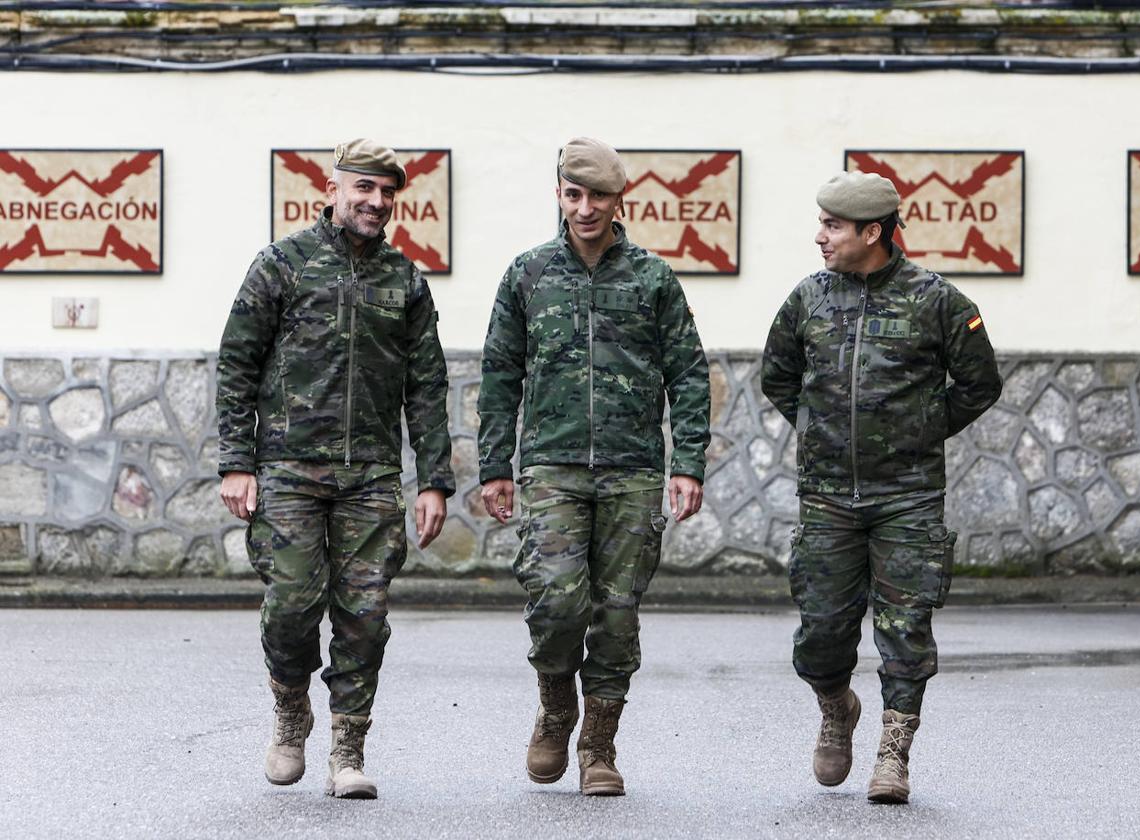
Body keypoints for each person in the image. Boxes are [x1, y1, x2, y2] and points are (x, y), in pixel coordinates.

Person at [216, 138, 454, 799]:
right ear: (333, 190)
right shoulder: (282, 266)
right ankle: (291, 709)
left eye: (386, 193)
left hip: (371, 477)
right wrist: (237, 462)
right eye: (364, 189)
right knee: (291, 604)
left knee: (365, 616)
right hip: (289, 469)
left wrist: (433, 477)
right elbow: (237, 363)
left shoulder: (404, 281)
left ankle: (347, 751)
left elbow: (427, 385)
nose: (376, 202)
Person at [477, 137, 711, 796]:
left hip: (633, 468)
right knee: (555, 601)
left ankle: (599, 748)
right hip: (551, 465)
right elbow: (499, 373)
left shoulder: (652, 278)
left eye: (598, 196)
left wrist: (687, 460)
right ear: (559, 194)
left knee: (616, 613)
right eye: (574, 194)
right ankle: (556, 708)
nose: (585, 208)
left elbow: (688, 371)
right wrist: (496, 463)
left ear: (618, 200)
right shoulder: (527, 274)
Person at [761, 171, 1002, 804]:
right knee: (820, 633)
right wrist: (824, 435)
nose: (820, 237)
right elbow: (778, 377)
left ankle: (893, 754)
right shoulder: (806, 299)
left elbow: (980, 385)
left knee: (906, 627)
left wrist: (918, 432)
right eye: (821, 223)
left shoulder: (938, 301)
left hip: (908, 496)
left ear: (873, 232)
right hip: (829, 497)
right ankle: (837, 706)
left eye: (832, 226)